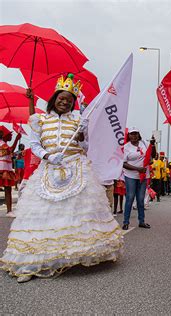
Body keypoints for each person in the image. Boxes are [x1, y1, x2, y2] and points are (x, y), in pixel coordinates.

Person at [0, 74, 123, 283]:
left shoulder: (79, 120)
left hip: (76, 169)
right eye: (61, 98)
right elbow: (35, 145)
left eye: (69, 99)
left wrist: (82, 137)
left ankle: (71, 256)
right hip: (49, 169)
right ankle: (30, 263)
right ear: (54, 98)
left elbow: (85, 148)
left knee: (75, 216)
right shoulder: (41, 119)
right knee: (41, 218)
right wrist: (48, 156)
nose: (64, 102)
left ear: (73, 103)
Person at [122, 127, 155, 230]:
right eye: (132, 134)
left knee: (141, 200)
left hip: (144, 176)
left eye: (136, 133)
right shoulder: (126, 147)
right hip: (131, 176)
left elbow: (152, 156)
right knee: (130, 198)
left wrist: (153, 145)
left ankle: (142, 221)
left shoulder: (144, 143)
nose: (134, 136)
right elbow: (123, 163)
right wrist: (137, 169)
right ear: (129, 135)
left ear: (139, 134)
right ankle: (126, 222)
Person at [0, 127, 21, 217]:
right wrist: (17, 139)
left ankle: (9, 211)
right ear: (3, 136)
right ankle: (9, 211)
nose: (11, 135)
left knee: (8, 190)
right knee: (7, 190)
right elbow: (11, 150)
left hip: (6, 168)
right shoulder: (1, 144)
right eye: (9, 134)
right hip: (2, 169)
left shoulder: (4, 144)